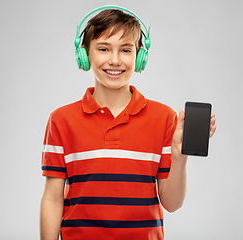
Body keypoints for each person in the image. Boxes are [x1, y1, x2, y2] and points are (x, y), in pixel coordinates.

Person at [40, 6, 216, 240]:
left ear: (140, 57)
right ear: (84, 55)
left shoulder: (164, 118)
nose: (115, 60)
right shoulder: (61, 120)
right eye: (103, 49)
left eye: (125, 50)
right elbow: (52, 199)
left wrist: (179, 155)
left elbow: (172, 204)